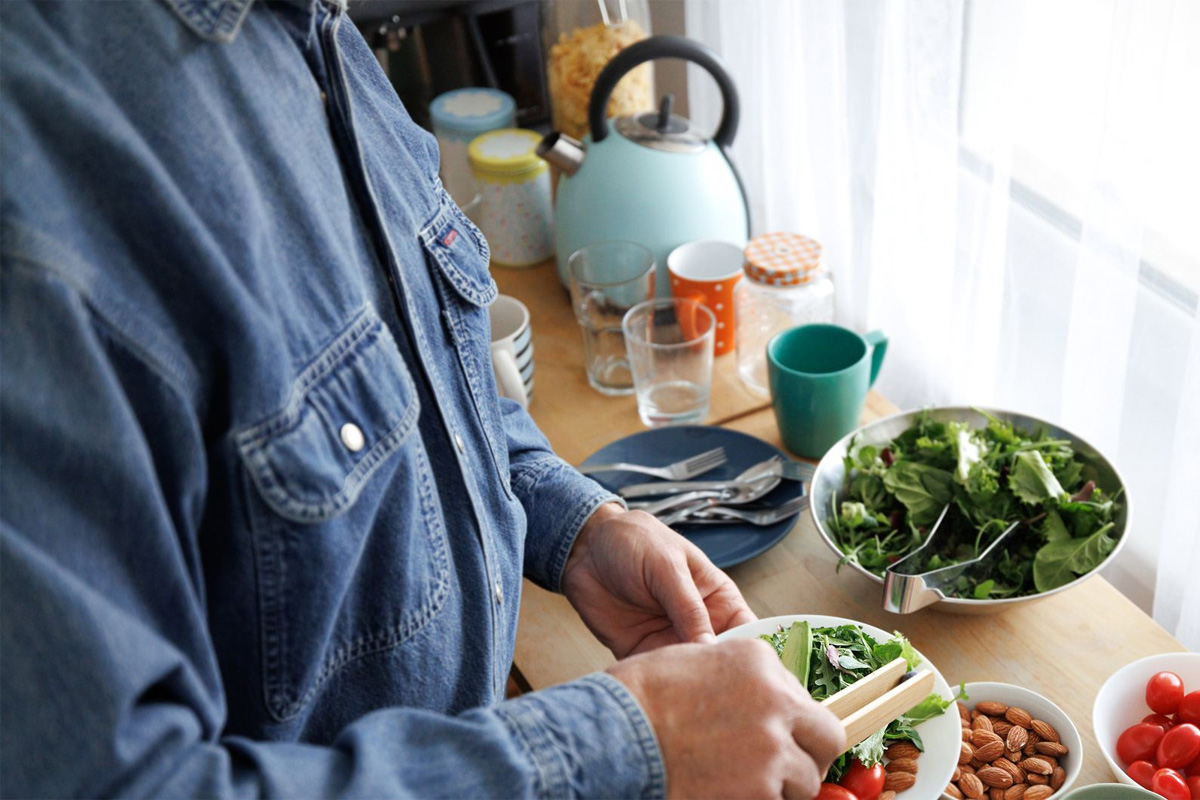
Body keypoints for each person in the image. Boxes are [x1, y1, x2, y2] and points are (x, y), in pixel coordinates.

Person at [0, 1, 844, 797]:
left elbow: (423, 374)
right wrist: (631, 738)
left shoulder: (318, 37)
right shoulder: (40, 197)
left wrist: (575, 526)